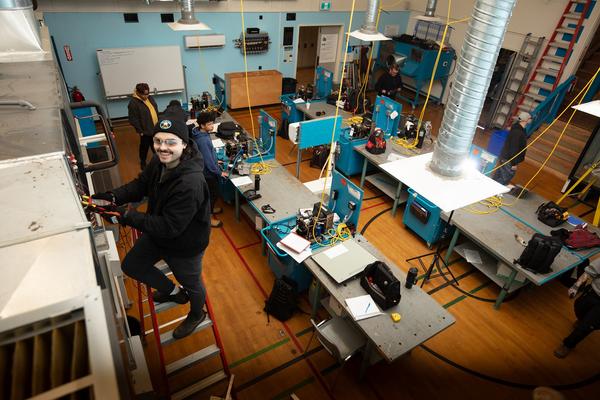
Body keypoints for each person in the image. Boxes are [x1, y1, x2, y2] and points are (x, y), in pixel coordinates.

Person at [93, 118, 211, 339]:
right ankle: (174, 293)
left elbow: (170, 227)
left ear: (184, 144)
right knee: (132, 265)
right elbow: (140, 185)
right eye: (158, 141)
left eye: (170, 142)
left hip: (185, 245)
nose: (162, 147)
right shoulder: (159, 162)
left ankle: (197, 313)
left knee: (192, 284)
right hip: (159, 233)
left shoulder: (190, 183)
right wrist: (112, 196)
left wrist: (127, 216)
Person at [554, 259, 600, 358]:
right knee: (579, 307)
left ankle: (568, 345)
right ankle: (582, 320)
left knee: (587, 325)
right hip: (593, 292)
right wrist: (576, 286)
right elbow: (589, 272)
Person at [192, 111, 228, 228]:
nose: (212, 126)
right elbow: (207, 161)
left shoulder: (202, 133)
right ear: (202, 125)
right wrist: (219, 172)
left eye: (212, 123)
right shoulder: (202, 140)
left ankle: (211, 210)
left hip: (207, 170)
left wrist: (216, 160)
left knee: (211, 195)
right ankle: (209, 218)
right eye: (209, 124)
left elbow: (208, 153)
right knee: (211, 195)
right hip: (207, 174)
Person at [493, 111, 531, 186]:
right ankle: (495, 193)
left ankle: (490, 190)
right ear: (525, 120)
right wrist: (514, 163)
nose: (531, 119)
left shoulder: (520, 129)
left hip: (506, 157)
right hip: (509, 159)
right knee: (506, 177)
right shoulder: (518, 132)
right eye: (530, 118)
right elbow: (514, 148)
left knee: (500, 175)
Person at [128, 83, 159, 170]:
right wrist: (140, 131)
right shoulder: (133, 103)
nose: (146, 96)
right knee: (144, 147)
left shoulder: (150, 98)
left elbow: (155, 110)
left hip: (155, 127)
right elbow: (133, 119)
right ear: (137, 92)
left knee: (156, 145)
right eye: (143, 94)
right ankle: (143, 162)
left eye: (147, 94)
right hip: (145, 131)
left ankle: (159, 161)